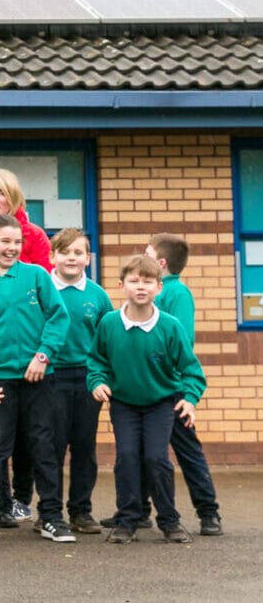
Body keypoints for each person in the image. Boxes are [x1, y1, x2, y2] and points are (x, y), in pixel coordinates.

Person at [0, 215, 73, 544]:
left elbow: (58, 317)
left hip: (39, 379)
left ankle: (52, 516)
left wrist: (43, 356)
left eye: (17, 242)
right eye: (5, 241)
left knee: (43, 446)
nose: (12, 248)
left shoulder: (37, 276)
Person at [89, 254, 206, 545]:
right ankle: (127, 521)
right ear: (121, 285)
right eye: (134, 281)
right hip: (124, 404)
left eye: (148, 281)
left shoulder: (169, 326)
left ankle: (170, 521)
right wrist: (97, 381)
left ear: (158, 288)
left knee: (156, 459)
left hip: (161, 403)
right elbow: (96, 361)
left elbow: (191, 370)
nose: (140, 287)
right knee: (127, 458)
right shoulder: (109, 323)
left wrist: (189, 399)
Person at [143, 233, 223, 536]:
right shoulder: (153, 291)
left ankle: (208, 512)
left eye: (147, 253)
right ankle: (138, 510)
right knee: (143, 452)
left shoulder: (177, 294)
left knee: (187, 449)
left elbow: (182, 341)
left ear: (161, 263)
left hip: (172, 389)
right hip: (147, 387)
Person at [47, 228, 114, 535]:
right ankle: (49, 512)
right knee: (53, 445)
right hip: (51, 376)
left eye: (78, 252)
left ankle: (81, 510)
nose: (72, 258)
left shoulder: (98, 295)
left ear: (88, 258)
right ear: (52, 256)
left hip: (87, 378)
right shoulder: (43, 288)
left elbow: (107, 340)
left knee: (84, 446)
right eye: (65, 252)